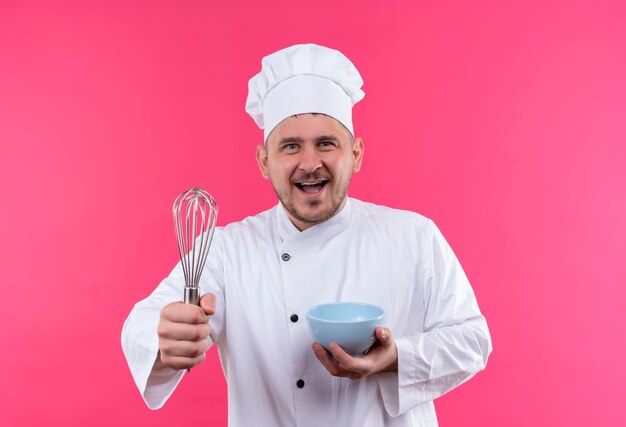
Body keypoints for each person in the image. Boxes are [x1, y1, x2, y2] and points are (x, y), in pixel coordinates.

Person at [122, 43, 492, 426]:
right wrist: (167, 335)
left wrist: (396, 357)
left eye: (327, 144)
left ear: (357, 154)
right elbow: (145, 322)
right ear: (265, 162)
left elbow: (473, 340)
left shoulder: (414, 236)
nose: (310, 163)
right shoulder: (225, 250)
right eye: (291, 146)